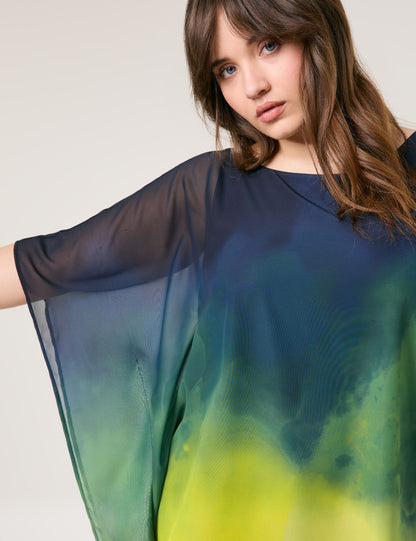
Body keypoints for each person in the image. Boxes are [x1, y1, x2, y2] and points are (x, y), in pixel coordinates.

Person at [1, 0, 416, 539]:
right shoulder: (208, 194)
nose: (253, 86)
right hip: (217, 516)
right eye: (227, 69)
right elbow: (44, 263)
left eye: (269, 45)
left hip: (371, 515)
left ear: (320, 29)